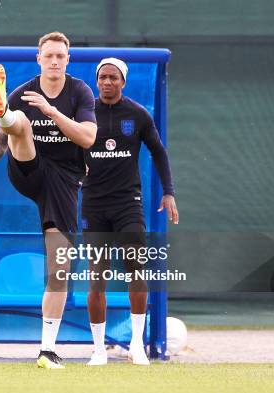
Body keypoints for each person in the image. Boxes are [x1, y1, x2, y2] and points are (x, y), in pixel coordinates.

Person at [0, 32, 97, 369]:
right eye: (49, 55)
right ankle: (3, 113)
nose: (54, 61)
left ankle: (47, 350)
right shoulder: (23, 91)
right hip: (29, 170)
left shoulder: (80, 91)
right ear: (38, 58)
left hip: (65, 181)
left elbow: (88, 136)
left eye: (60, 56)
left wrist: (52, 112)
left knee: (60, 267)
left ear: (69, 60)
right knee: (18, 123)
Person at [82, 57, 179, 366]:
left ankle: (137, 345)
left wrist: (169, 192)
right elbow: (66, 150)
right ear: (97, 81)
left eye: (113, 77)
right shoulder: (83, 114)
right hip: (93, 204)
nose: (107, 82)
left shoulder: (138, 115)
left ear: (123, 82)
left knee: (136, 269)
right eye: (103, 77)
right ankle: (98, 350)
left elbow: (159, 153)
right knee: (96, 276)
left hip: (128, 203)